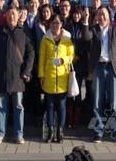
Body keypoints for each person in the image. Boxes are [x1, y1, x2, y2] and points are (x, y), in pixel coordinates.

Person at [0, 6, 35, 144]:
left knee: (18, 107)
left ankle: (19, 135)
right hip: (1, 76)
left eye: (14, 14)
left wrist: (27, 71)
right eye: (9, 14)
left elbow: (31, 53)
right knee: (0, 107)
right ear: (6, 16)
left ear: (18, 16)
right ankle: (0, 134)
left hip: (18, 76)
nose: (12, 17)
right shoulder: (0, 32)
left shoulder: (24, 32)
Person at [81, 7, 116, 143]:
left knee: (113, 102)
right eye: (99, 14)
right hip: (98, 68)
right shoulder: (94, 29)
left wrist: (114, 60)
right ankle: (98, 132)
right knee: (97, 102)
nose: (102, 17)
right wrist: (86, 20)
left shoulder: (115, 30)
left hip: (111, 68)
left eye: (104, 14)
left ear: (109, 17)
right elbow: (86, 37)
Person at [38, 15, 74, 143]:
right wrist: (41, 75)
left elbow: (71, 55)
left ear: (61, 24)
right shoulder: (45, 38)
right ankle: (50, 132)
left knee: (62, 106)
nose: (55, 25)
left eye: (57, 23)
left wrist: (63, 60)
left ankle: (60, 132)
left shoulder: (67, 39)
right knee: (50, 106)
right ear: (50, 24)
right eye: (53, 23)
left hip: (63, 77)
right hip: (49, 77)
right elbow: (41, 58)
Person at [65, 6, 91, 128]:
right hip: (68, 62)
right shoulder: (67, 27)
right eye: (74, 14)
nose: (76, 16)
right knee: (69, 92)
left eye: (78, 14)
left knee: (78, 91)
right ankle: (69, 120)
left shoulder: (83, 27)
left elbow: (86, 43)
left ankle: (76, 120)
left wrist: (78, 55)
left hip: (80, 63)